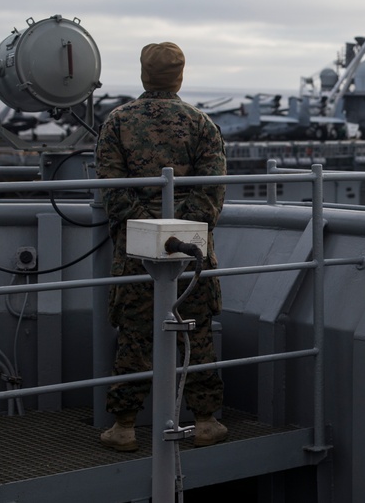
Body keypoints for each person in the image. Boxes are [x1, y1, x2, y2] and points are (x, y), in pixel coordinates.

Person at [95, 42, 227, 451]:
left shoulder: (118, 121)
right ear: (180, 76)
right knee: (196, 333)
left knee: (134, 336)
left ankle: (125, 427)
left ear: (142, 73)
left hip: (136, 252)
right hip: (189, 251)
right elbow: (210, 194)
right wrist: (179, 230)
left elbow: (111, 193)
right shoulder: (201, 123)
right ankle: (205, 422)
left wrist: (146, 230)